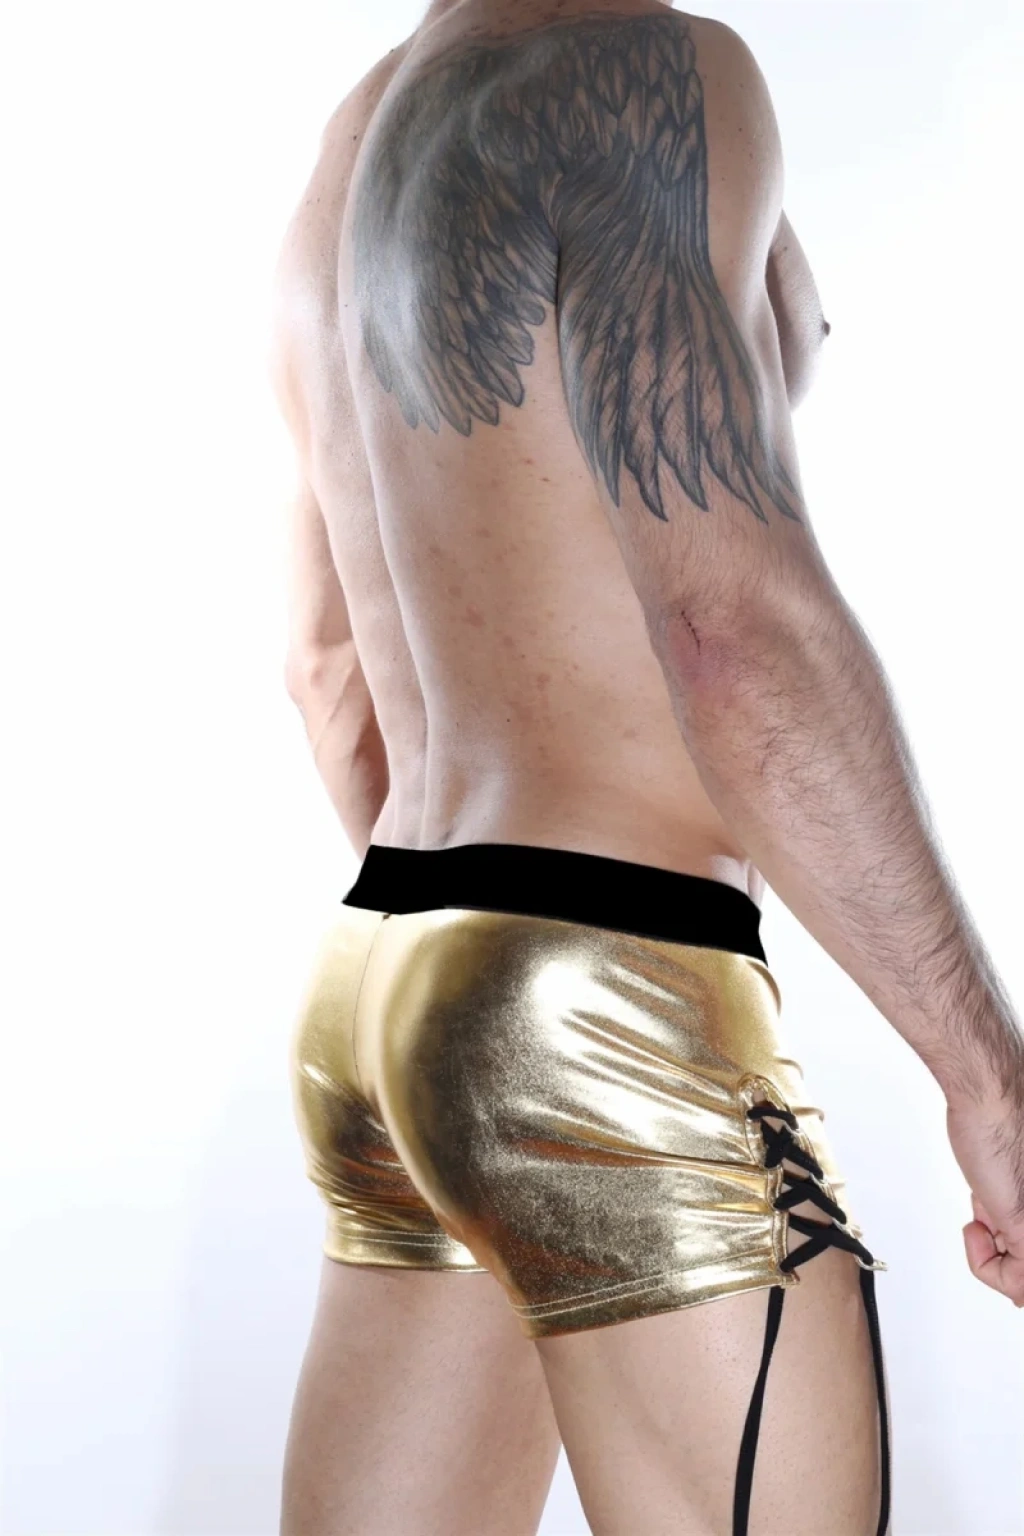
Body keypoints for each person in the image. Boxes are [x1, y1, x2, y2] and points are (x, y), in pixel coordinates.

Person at [271, 2, 1024, 1532]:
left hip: (389, 963)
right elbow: (730, 628)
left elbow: (328, 669)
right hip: (610, 976)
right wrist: (987, 1076)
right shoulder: (642, 72)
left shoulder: (351, 149)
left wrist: (466, 1011)